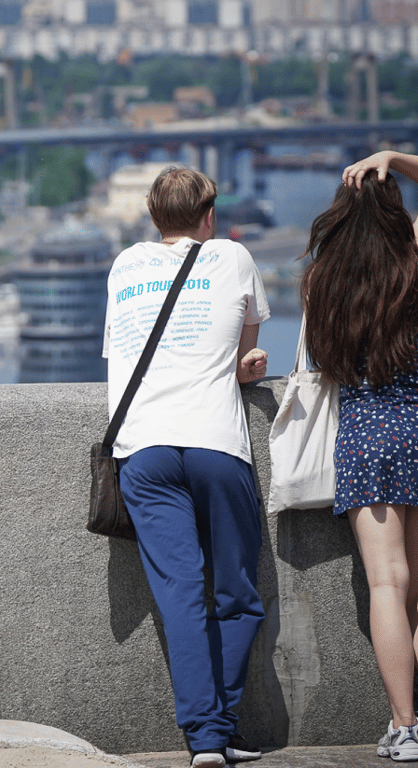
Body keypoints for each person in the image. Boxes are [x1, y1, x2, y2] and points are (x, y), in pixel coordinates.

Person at [300, 150, 418, 762]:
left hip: (367, 436)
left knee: (386, 586)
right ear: (396, 211)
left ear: (339, 218)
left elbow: (322, 365)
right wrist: (392, 157)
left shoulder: (323, 283)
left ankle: (403, 726)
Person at [104, 166, 271, 768]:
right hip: (214, 443)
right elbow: (241, 357)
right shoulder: (233, 256)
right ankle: (220, 729)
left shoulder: (125, 265)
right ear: (210, 215)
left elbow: (124, 355)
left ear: (153, 217)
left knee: (180, 596)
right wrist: (246, 368)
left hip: (144, 449)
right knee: (237, 593)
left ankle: (204, 741)